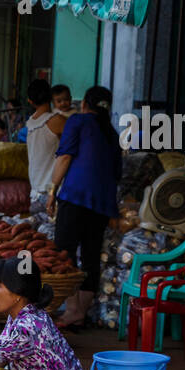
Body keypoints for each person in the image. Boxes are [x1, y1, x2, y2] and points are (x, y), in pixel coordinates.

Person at [49, 85, 121, 329]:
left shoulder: (78, 122)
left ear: (84, 104)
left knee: (64, 252)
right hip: (102, 203)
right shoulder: (111, 132)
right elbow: (117, 173)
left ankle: (71, 311)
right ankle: (80, 312)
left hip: (76, 196)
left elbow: (65, 157)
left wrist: (52, 191)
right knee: (90, 255)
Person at [25, 79, 67, 211]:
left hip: (35, 193)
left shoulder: (30, 123)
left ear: (30, 101)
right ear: (51, 97)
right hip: (53, 194)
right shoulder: (58, 121)